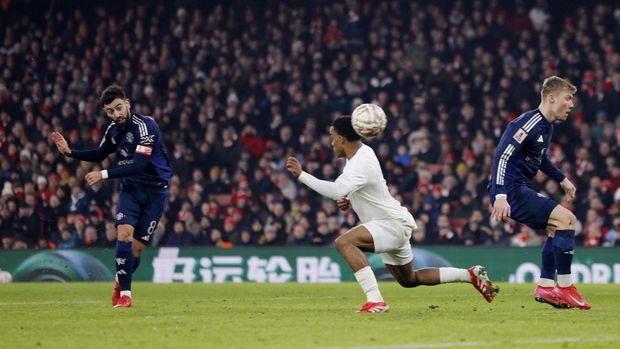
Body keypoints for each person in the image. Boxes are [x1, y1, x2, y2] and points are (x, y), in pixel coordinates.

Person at [287, 116, 498, 313]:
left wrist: (302, 175)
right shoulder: (359, 156)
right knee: (409, 279)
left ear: (341, 139)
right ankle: (469, 274)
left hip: (389, 224)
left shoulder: (360, 161)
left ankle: (375, 300)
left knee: (344, 242)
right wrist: (350, 199)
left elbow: (335, 190)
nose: (331, 143)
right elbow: (363, 187)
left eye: (332, 137)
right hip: (390, 223)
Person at [51, 85, 172, 308]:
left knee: (135, 249)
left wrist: (103, 174)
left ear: (127, 104)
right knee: (124, 233)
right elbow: (99, 153)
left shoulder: (146, 126)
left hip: (156, 191)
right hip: (131, 190)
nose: (115, 114)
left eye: (118, 108)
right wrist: (70, 152)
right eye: (110, 111)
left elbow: (138, 165)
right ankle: (126, 295)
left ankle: (120, 279)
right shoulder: (113, 130)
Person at [488, 76, 590, 310]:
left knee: (557, 227)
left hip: (518, 187)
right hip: (509, 189)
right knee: (567, 219)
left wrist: (561, 178)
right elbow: (502, 156)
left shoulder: (546, 126)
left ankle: (545, 285)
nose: (572, 105)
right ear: (551, 98)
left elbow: (539, 158)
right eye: (568, 98)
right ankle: (565, 287)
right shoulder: (527, 123)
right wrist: (501, 195)